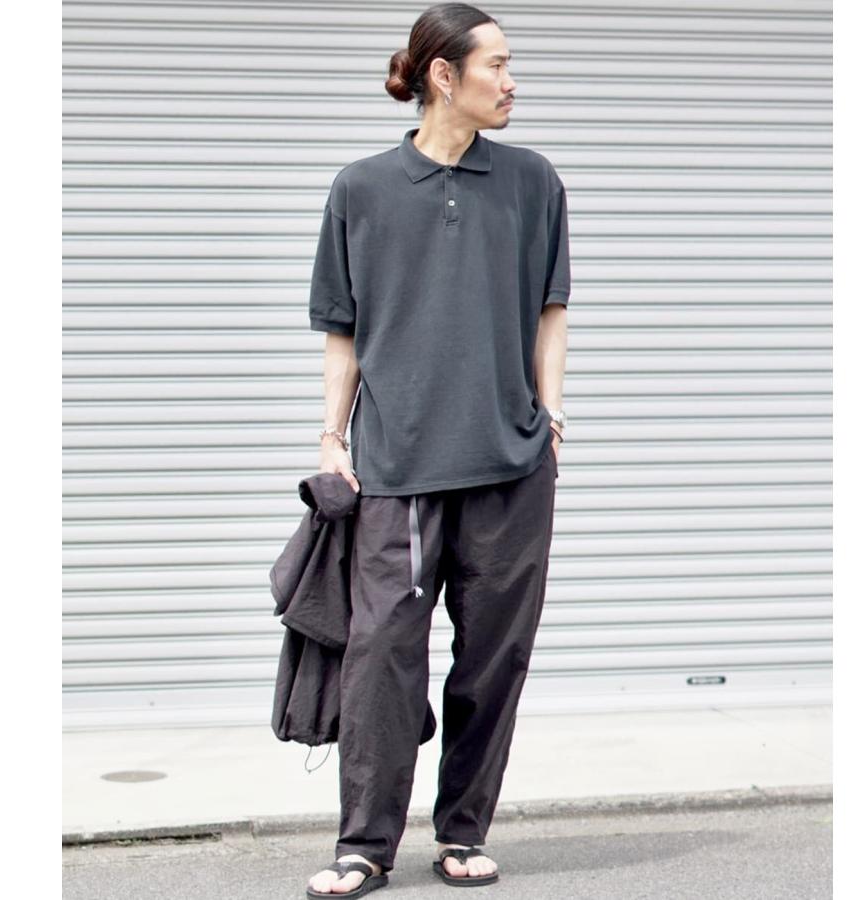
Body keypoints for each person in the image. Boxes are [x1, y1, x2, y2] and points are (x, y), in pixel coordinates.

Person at [304, 3, 570, 896]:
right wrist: (332, 438)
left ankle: (463, 831)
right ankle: (363, 845)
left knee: (494, 659)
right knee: (381, 658)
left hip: (509, 466)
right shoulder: (361, 188)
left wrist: (551, 416)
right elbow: (342, 330)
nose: (512, 81)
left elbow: (551, 310)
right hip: (397, 470)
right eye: (497, 64)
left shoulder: (533, 182)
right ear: (443, 76)